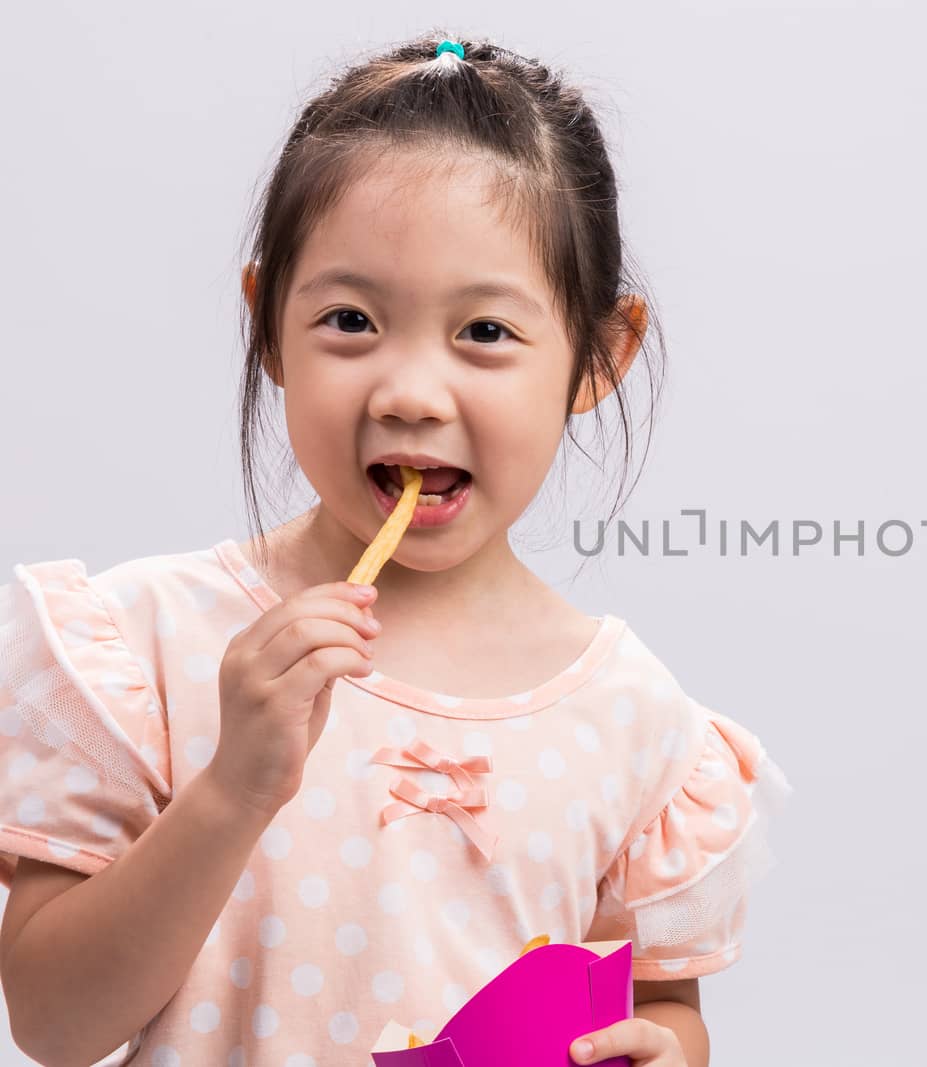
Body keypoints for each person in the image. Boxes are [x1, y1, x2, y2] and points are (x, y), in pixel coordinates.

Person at [0, 33, 791, 1067]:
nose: (411, 392)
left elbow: (662, 1006)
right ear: (267, 332)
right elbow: (55, 1023)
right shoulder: (144, 643)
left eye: (485, 333)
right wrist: (234, 785)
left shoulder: (636, 721)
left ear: (600, 357)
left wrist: (668, 1051)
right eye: (350, 319)